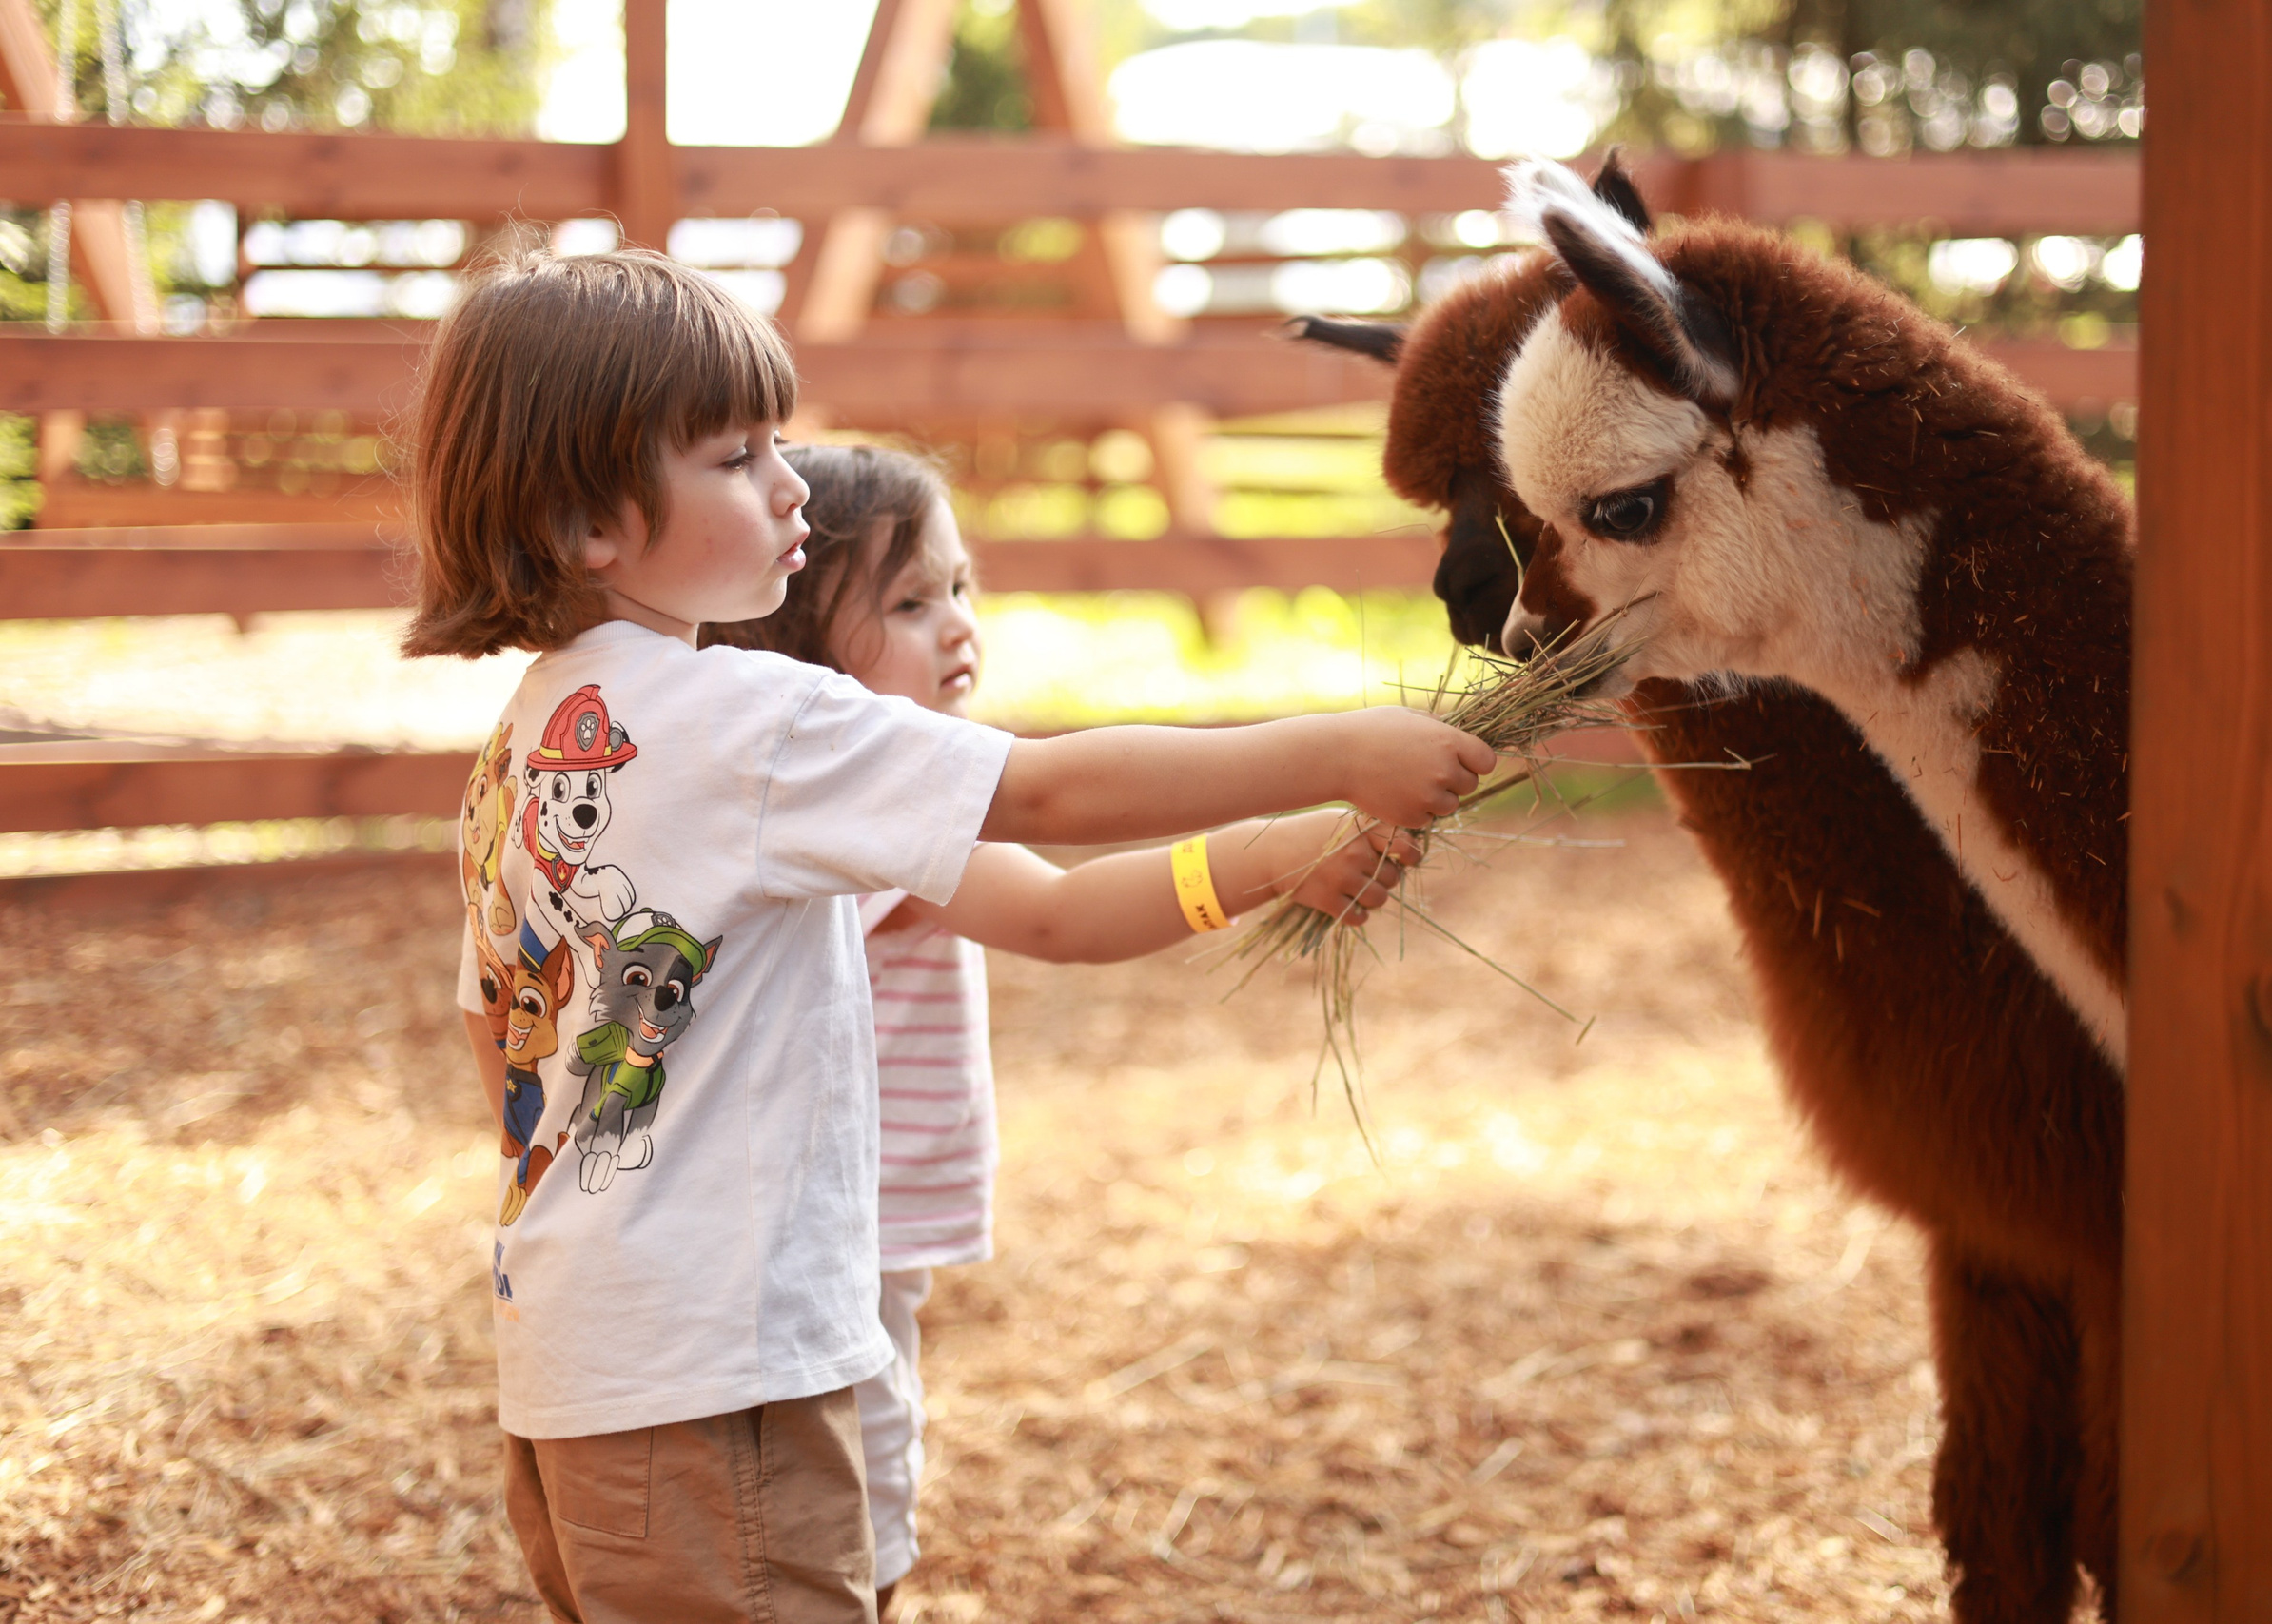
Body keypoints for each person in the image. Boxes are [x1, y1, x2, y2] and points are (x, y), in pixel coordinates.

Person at [405, 242, 1494, 1624]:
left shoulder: (521, 749)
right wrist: (1335, 749)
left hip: (577, 1355)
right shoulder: (743, 716)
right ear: (585, 522)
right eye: (736, 457)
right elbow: (1046, 792)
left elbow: (488, 1032)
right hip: (724, 1372)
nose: (790, 486)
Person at [703, 443, 1420, 1613]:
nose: (958, 623)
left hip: (833, 1240)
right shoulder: (862, 818)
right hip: (814, 1253)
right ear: (797, 652)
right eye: (909, 603)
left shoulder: (823, 802)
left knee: (850, 1489)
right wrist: (1274, 855)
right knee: (841, 1508)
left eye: (960, 586)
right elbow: (1062, 913)